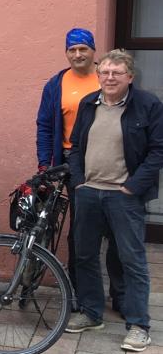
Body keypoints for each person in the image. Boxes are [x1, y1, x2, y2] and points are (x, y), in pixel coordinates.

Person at [64, 49, 160, 352]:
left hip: (124, 196)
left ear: (129, 77)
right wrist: (78, 181)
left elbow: (158, 151)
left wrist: (132, 187)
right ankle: (91, 313)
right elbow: (75, 146)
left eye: (116, 73)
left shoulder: (148, 105)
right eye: (104, 72)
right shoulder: (88, 103)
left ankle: (138, 325)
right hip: (88, 192)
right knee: (84, 256)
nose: (109, 78)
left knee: (132, 260)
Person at [36, 28, 123, 311]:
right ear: (66, 53)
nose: (77, 54)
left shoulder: (107, 78)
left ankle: (120, 295)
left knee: (116, 230)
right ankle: (78, 292)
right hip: (72, 162)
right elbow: (45, 125)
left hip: (109, 160)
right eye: (72, 50)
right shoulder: (56, 84)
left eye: (83, 49)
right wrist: (45, 163)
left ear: (93, 50)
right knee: (80, 231)